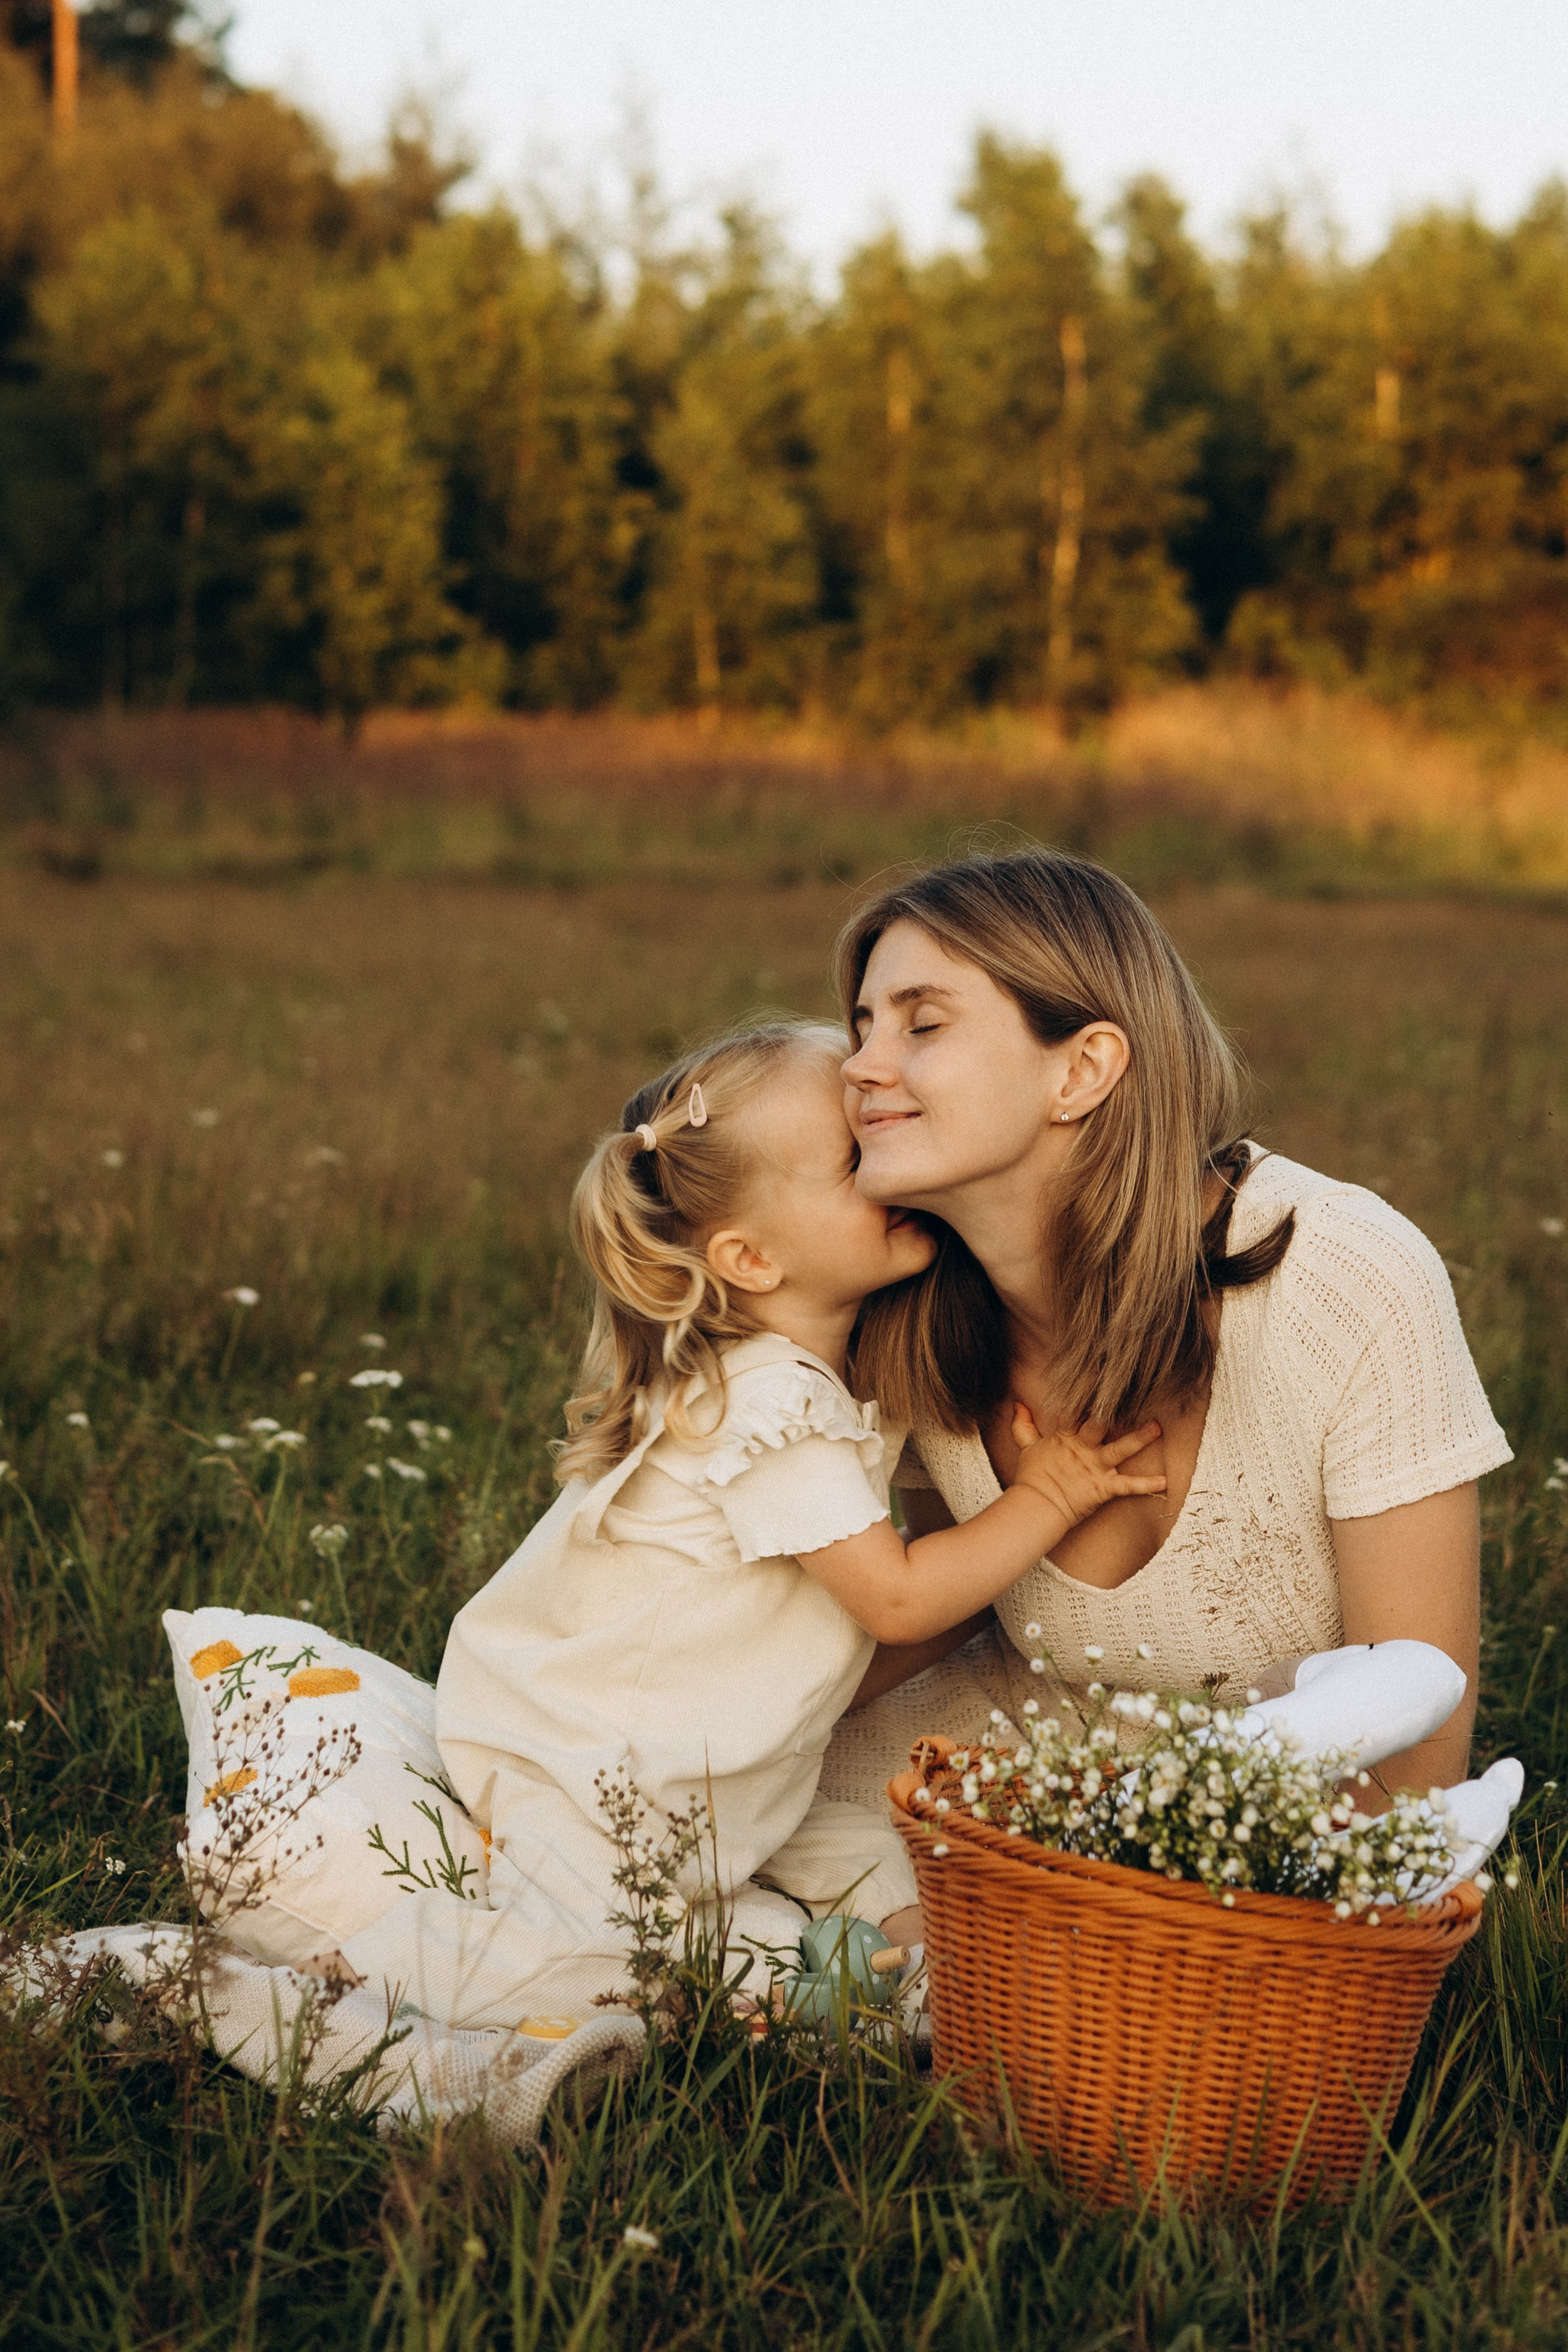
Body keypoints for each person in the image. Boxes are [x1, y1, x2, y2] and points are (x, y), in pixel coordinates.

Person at [338, 1019, 1166, 2027]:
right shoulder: (768, 1408)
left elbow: (875, 1613)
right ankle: (835, 1991)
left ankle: (920, 1965)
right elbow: (898, 1600)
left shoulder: (811, 1382)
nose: (890, 1164)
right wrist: (1049, 1497)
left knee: (873, 1853)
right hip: (604, 1791)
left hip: (718, 1782)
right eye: (854, 1159)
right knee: (640, 1970)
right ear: (752, 1259)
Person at [820, 850, 1512, 1816]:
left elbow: (1415, 1749)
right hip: (1025, 1755)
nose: (858, 1065)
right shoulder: (898, 1296)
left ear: (1085, 1068)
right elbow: (948, 1594)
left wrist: (1150, 1900)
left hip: (1274, 1825)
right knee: (715, 1843)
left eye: (921, 1024)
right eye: (861, 1026)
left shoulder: (1349, 1277)